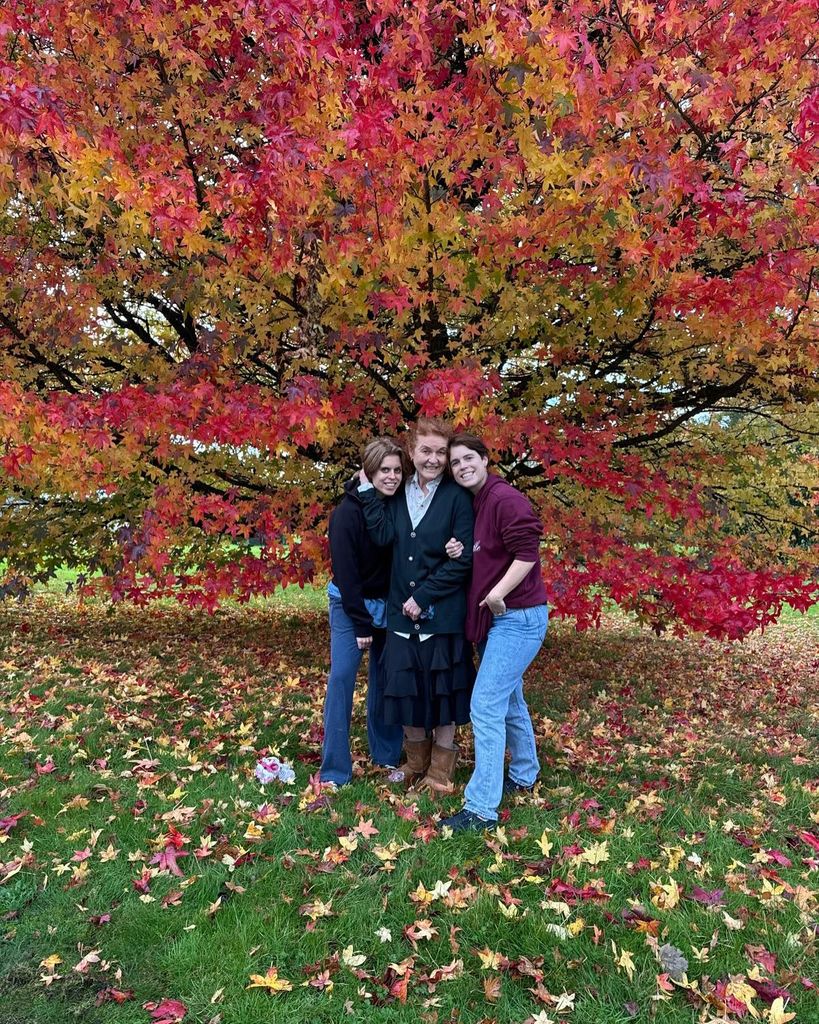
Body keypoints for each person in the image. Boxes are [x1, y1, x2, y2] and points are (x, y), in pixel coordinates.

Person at [358, 418, 474, 795]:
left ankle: (440, 771)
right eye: (426, 450)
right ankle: (415, 763)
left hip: (442, 614)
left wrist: (422, 597)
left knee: (443, 693)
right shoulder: (397, 491)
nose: (434, 459)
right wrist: (363, 488)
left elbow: (462, 561)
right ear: (412, 451)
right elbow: (382, 535)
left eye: (441, 452)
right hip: (399, 615)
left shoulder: (458, 496)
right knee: (406, 690)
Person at [439, 433, 549, 831]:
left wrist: (499, 594)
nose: (463, 466)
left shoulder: (505, 499)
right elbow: (489, 551)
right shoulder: (479, 501)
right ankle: (525, 773)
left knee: (484, 704)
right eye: (456, 463)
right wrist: (460, 550)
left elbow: (527, 551)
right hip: (500, 621)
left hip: (517, 619)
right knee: (509, 701)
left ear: (485, 460)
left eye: (469, 458)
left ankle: (481, 808)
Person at [320, 437, 406, 788]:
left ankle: (386, 755)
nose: (392, 476)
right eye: (384, 469)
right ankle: (335, 770)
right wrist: (360, 622)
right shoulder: (347, 512)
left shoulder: (398, 506)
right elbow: (346, 571)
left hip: (389, 604)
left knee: (386, 680)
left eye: (398, 470)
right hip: (349, 604)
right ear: (369, 471)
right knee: (342, 677)